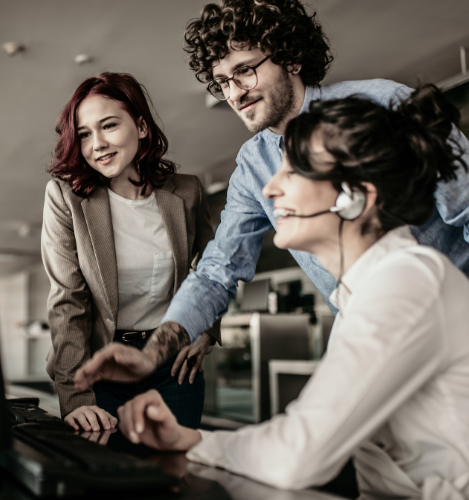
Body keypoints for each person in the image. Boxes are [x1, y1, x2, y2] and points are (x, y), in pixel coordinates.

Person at [73, 0, 469, 388]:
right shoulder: (253, 164)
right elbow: (218, 269)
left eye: (244, 71)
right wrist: (150, 356)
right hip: (371, 340)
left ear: (291, 58)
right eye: (223, 81)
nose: (234, 92)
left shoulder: (381, 103)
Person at [107, 85, 469, 498]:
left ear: (353, 198)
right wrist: (190, 440)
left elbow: (296, 455)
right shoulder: (368, 293)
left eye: (293, 171)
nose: (269, 189)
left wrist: (200, 442)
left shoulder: (405, 283)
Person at [42, 72, 219, 431]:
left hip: (174, 366)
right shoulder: (66, 199)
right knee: (108, 480)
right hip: (102, 368)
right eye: (85, 134)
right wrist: (74, 398)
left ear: (141, 126)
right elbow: (68, 303)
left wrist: (207, 330)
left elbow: (213, 272)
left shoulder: (187, 193)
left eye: (108, 126)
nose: (97, 144)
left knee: (172, 479)